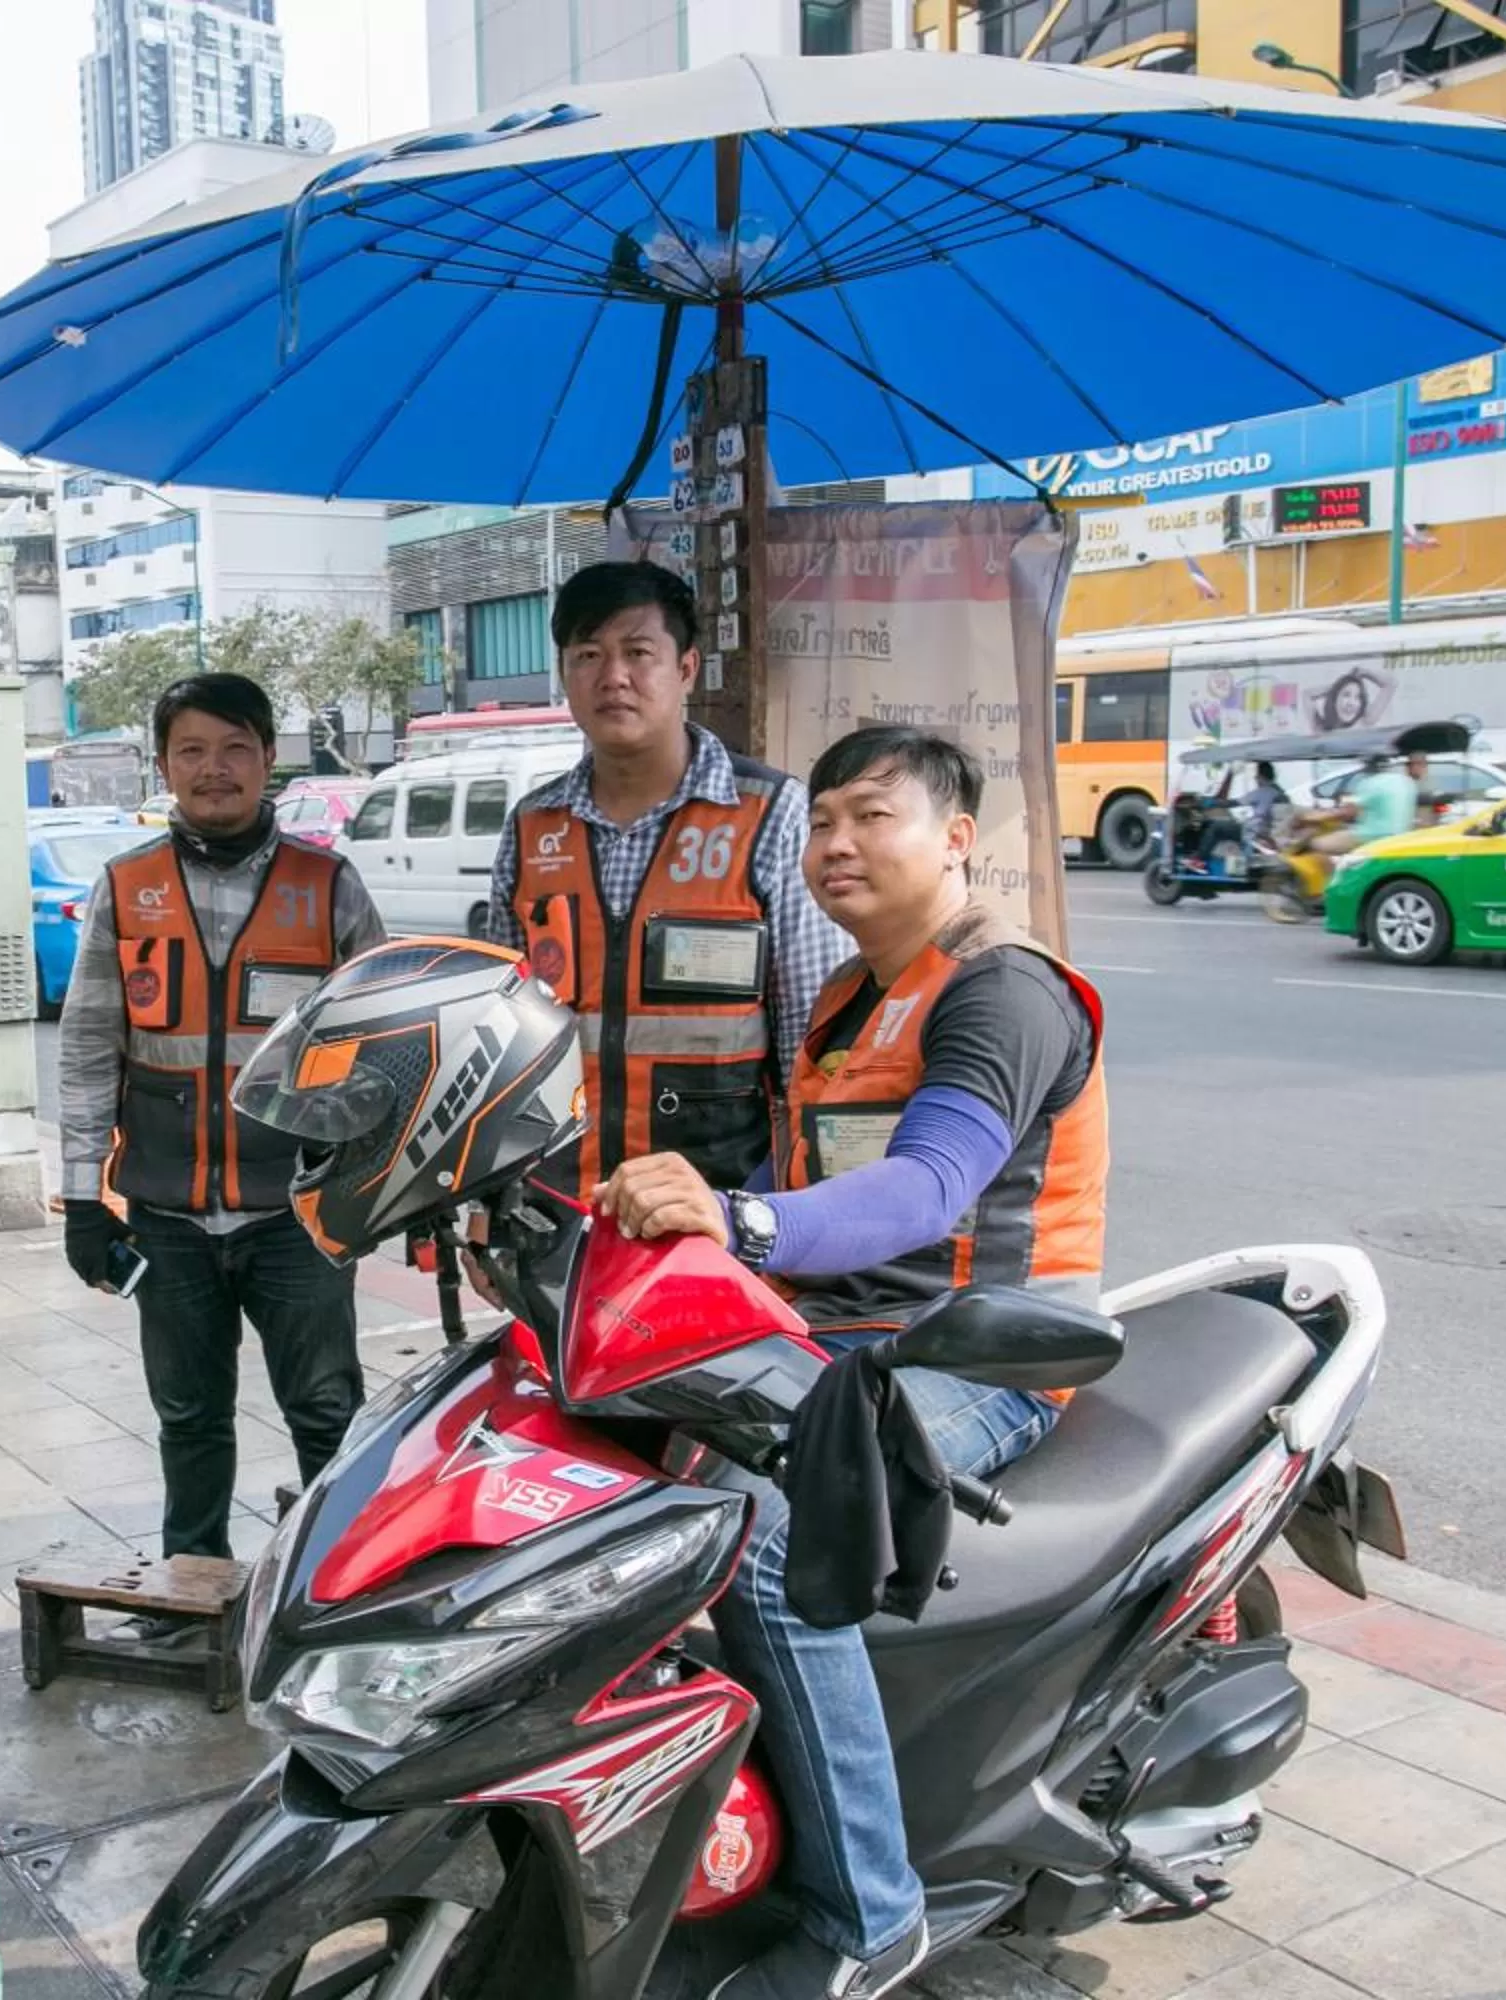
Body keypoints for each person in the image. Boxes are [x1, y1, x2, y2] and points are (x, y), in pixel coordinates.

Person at [599, 726, 1106, 2000]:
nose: (835, 844)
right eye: (822, 821)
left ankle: (871, 1915)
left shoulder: (1005, 991)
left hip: (984, 1354)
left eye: (872, 816)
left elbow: (929, 1185)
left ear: (954, 840)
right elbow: (798, 1185)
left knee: (767, 1545)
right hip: (844, 1345)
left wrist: (743, 1222)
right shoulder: (849, 995)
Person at [57, 673, 388, 1577]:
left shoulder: (330, 887)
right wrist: (84, 1199)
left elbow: (388, 1047)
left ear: (269, 760)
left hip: (299, 1218)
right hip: (167, 1219)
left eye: (236, 748)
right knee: (189, 1419)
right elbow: (89, 1049)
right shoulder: (126, 889)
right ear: (164, 764)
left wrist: (368, 1185)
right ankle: (195, 1586)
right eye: (193, 751)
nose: (215, 770)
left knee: (327, 1414)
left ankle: (336, 1590)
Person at [481, 560, 849, 1199]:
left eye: (638, 652)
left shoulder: (769, 814)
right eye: (587, 654)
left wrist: (794, 1217)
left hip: (719, 1209)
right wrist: (495, 1201)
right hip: (560, 1206)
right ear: (565, 673)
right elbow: (497, 1040)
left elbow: (812, 1047)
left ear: (686, 669)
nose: (612, 676)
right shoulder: (531, 828)